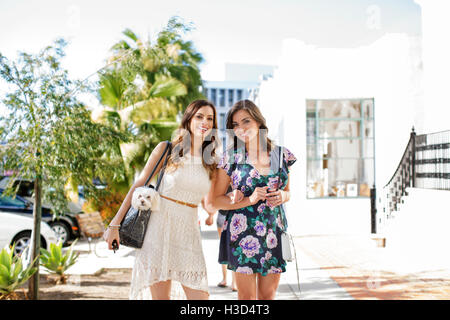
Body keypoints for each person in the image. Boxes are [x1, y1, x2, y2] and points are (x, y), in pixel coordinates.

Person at [104, 99, 221, 300]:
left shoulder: (212, 161)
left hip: (188, 233)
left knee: (200, 299)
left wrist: (216, 210)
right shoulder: (167, 149)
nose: (205, 122)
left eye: (210, 118)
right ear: (189, 120)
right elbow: (138, 184)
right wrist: (114, 224)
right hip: (158, 230)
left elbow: (210, 199)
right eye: (199, 116)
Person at [209, 99, 297, 300]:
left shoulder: (279, 154)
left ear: (258, 121)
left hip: (273, 232)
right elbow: (216, 201)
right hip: (241, 235)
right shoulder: (231, 157)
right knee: (246, 299)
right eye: (235, 125)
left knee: (267, 296)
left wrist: (283, 196)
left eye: (246, 121)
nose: (241, 128)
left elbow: (289, 191)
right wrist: (249, 199)